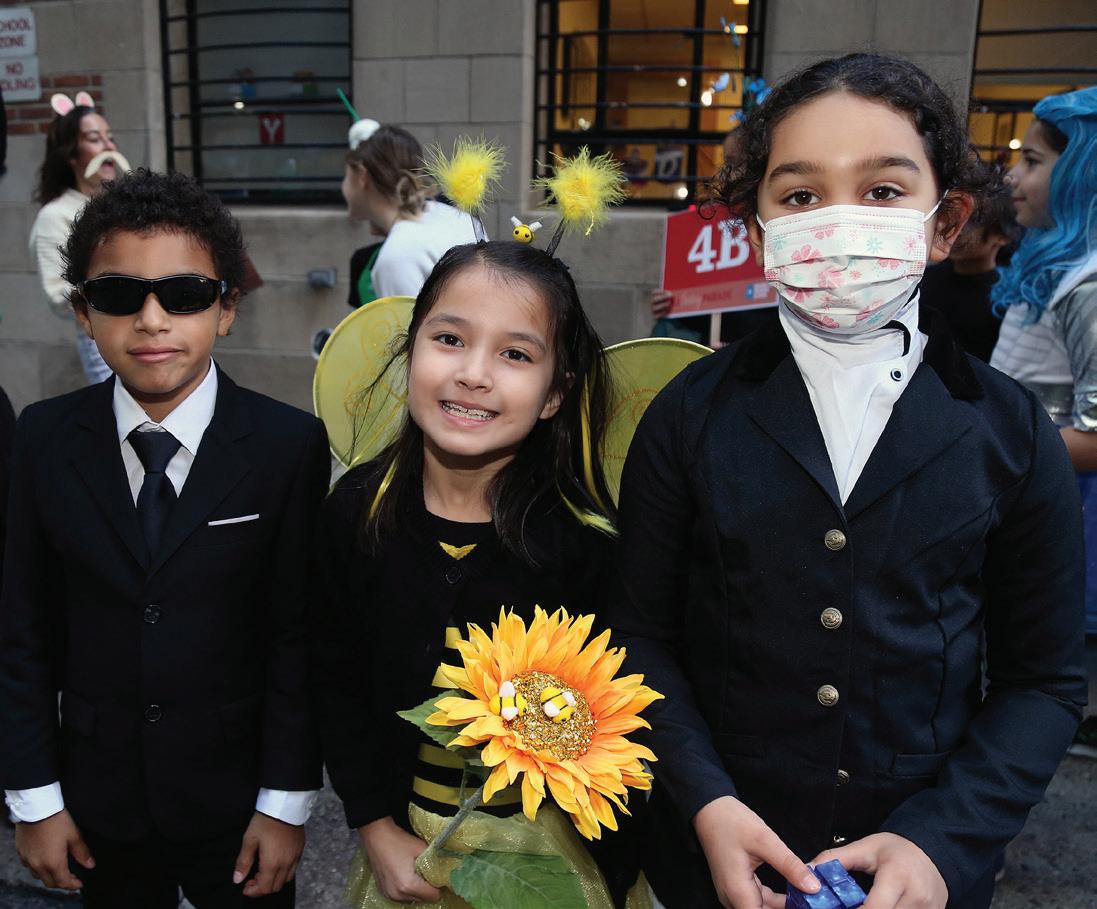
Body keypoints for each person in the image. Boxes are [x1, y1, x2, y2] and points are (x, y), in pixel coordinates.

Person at [608, 53, 1087, 909]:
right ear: (757, 231)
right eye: (799, 195)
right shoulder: (688, 414)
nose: (838, 220)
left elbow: (1041, 681)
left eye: (881, 190)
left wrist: (941, 840)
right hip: (711, 857)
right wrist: (704, 799)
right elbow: (639, 633)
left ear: (945, 222)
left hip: (918, 866)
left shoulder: (1009, 430)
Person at [0, 170, 330, 908]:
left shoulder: (287, 446)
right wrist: (35, 798)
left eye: (183, 294)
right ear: (84, 312)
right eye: (119, 295)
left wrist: (285, 804)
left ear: (226, 307)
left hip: (237, 799)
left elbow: (297, 637)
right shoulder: (44, 439)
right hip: (98, 802)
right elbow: (22, 629)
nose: (151, 319)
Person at [315, 240, 645, 907]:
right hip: (406, 855)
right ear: (410, 351)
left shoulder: (587, 544)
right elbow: (332, 677)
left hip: (546, 861)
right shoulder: (355, 513)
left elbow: (621, 727)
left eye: (515, 354)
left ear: (555, 393)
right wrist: (374, 826)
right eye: (449, 339)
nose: (473, 374)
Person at [987, 86, 1097, 750]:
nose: (1011, 176)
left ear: (1083, 169)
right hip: (1022, 490)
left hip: (1057, 505)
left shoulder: (1088, 285)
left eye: (1031, 161)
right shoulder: (1057, 266)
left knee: (1028, 676)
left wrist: (988, 448)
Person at [29, 94, 123, 384]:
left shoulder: (119, 206)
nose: (109, 147)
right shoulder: (55, 216)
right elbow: (58, 295)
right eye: (95, 139)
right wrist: (118, 286)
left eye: (110, 138)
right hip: (106, 341)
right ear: (71, 154)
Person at [342, 125, 477, 301]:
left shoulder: (397, 256)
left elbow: (408, 321)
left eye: (346, 176)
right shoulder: (456, 217)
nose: (343, 187)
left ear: (362, 177)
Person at [919, 182, 1021, 363]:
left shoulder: (1005, 297)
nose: (957, 229)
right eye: (955, 217)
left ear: (1002, 236)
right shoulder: (924, 278)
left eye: (973, 221)